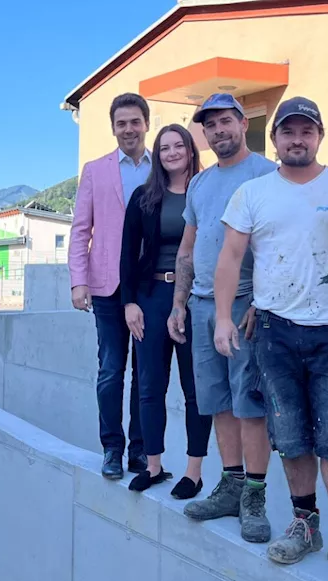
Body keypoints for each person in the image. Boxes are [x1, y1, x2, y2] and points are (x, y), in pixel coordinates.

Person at [213, 98, 328, 581]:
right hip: (274, 332)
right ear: (276, 140)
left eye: (307, 131)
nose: (297, 139)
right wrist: (224, 317)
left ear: (320, 136)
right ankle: (305, 524)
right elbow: (229, 258)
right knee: (290, 436)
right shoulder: (252, 193)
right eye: (289, 132)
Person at [169, 94, 277, 543]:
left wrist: (262, 302)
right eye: (210, 125)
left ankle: (254, 496)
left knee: (249, 403)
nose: (219, 131)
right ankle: (230, 484)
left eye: (226, 121)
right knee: (216, 401)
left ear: (243, 122)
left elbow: (280, 247)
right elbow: (188, 249)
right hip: (201, 305)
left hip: (248, 305)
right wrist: (179, 303)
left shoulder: (269, 175)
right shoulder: (199, 185)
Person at [119, 125, 213, 497]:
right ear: (157, 155)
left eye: (179, 146)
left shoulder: (206, 192)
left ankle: (193, 472)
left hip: (195, 297)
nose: (172, 152)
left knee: (196, 388)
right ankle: (153, 464)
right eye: (164, 148)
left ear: (191, 150)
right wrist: (129, 302)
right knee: (150, 386)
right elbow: (128, 253)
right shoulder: (145, 196)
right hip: (153, 293)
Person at [69, 92, 151, 480]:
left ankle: (140, 451)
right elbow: (80, 229)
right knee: (111, 369)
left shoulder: (161, 169)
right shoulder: (95, 170)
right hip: (106, 286)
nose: (129, 129)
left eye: (135, 121)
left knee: (146, 373)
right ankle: (112, 449)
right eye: (122, 123)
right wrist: (78, 281)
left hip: (150, 283)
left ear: (146, 124)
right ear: (113, 127)